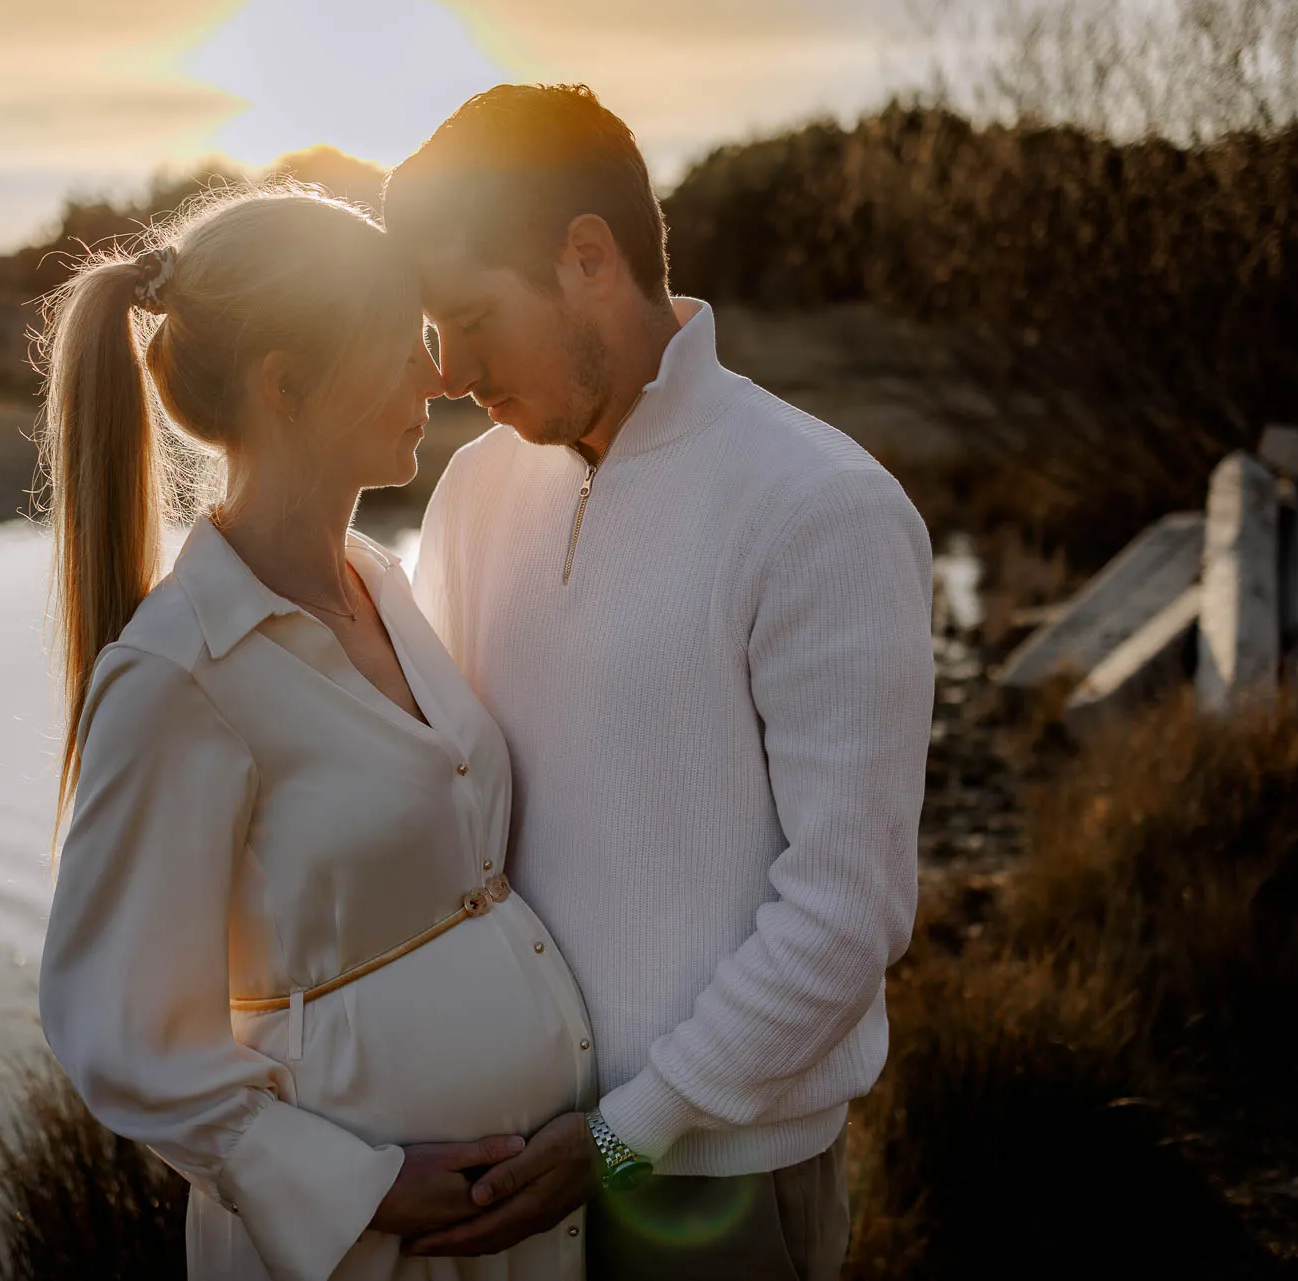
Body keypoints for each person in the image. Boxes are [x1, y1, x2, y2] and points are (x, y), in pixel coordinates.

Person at [385, 85, 936, 1279]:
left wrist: (622, 1140)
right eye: (434, 329)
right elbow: (444, 806)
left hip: (718, 1197)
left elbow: (849, 913)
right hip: (509, 1171)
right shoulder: (478, 491)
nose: (451, 370)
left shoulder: (820, 510)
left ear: (589, 256)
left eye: (473, 315)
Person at [33, 186, 601, 1281]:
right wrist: (362, 1188)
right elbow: (118, 1031)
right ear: (285, 385)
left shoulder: (384, 584)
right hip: (360, 1250)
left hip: (517, 1229)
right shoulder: (176, 673)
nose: (433, 376)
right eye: (395, 349)